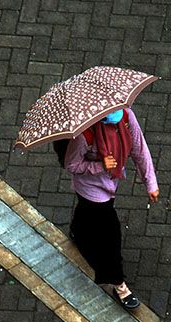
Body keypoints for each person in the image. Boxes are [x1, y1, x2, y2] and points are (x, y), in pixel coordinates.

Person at [63, 107, 159, 310]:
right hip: (91, 189)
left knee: (87, 213)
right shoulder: (84, 134)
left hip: (110, 184)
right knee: (111, 235)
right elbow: (72, 164)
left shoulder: (125, 116)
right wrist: (101, 165)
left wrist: (150, 183)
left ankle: (77, 230)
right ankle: (119, 284)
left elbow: (139, 148)